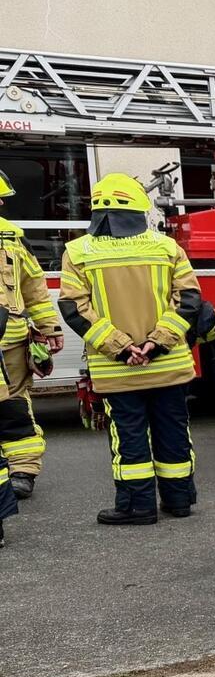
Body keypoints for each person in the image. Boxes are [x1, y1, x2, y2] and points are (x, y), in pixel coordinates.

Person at [58, 173, 205, 525]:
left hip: (118, 370)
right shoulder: (168, 248)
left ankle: (138, 506)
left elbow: (75, 309)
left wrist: (124, 350)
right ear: (141, 208)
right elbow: (188, 300)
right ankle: (179, 500)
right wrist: (155, 344)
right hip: (168, 365)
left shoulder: (77, 252)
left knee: (129, 436)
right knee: (173, 429)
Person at [0, 172, 61, 505]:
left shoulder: (11, 236)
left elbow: (34, 288)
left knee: (14, 406)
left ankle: (23, 471)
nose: (1, 204)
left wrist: (49, 327)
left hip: (10, 342)